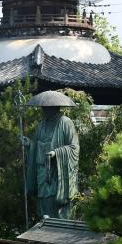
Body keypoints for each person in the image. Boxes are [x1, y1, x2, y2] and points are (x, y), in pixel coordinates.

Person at [24, 90, 79, 220]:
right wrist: (29, 145)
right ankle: (45, 226)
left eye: (45, 108)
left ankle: (59, 228)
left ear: (54, 108)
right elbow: (37, 147)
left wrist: (56, 153)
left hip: (58, 172)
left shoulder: (66, 123)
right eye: (42, 108)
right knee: (44, 201)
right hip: (42, 171)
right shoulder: (41, 125)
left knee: (56, 204)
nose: (43, 110)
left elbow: (74, 147)